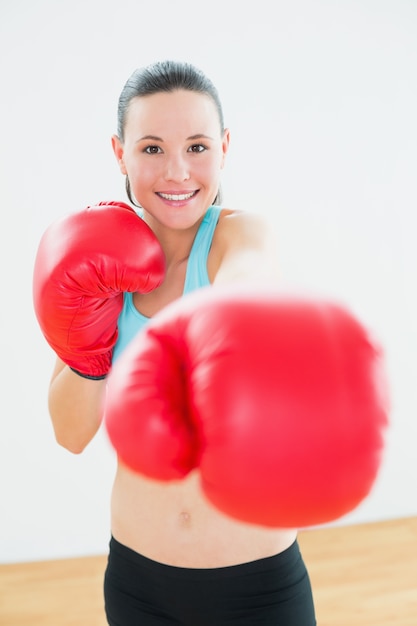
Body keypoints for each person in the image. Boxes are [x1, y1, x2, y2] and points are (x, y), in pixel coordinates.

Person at [33, 60, 386, 624]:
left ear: (223, 147)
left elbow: (250, 285)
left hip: (258, 589)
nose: (177, 171)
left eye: (197, 147)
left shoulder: (238, 236)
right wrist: (88, 349)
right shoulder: (98, 263)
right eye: (151, 148)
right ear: (120, 152)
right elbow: (71, 434)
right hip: (138, 583)